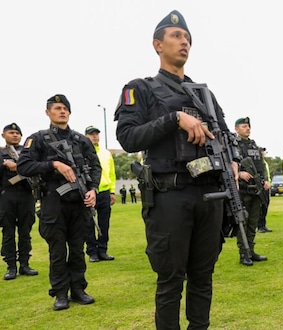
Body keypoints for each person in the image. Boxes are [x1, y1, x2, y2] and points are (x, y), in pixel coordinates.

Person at [114, 10, 234, 328]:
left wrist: (233, 162)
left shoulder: (204, 94)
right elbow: (127, 137)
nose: (184, 42)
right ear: (157, 44)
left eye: (188, 39)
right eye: (176, 36)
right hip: (169, 195)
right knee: (170, 280)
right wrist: (174, 119)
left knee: (203, 276)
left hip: (210, 194)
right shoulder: (140, 88)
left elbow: (224, 135)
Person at [18, 94, 101, 311]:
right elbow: (23, 166)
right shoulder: (37, 139)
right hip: (53, 202)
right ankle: (60, 294)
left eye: (65, 108)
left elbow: (95, 166)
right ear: (48, 112)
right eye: (57, 108)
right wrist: (53, 164)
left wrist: (93, 189)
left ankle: (78, 290)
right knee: (57, 252)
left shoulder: (81, 140)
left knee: (77, 249)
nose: (62, 111)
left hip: (79, 202)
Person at [1, 123, 38, 280]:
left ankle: (24, 264)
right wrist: (3, 164)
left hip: (26, 195)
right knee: (8, 232)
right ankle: (11, 267)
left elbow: (36, 168)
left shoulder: (27, 152)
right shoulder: (1, 153)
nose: (15, 135)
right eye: (11, 132)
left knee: (25, 231)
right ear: (4, 135)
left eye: (18, 133)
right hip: (6, 196)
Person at [234, 117, 269, 265]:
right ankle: (244, 253)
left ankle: (251, 250)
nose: (247, 129)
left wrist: (265, 179)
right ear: (236, 129)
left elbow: (261, 165)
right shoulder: (234, 145)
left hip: (257, 189)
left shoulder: (254, 145)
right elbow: (231, 163)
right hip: (243, 189)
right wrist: (239, 173)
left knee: (253, 221)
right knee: (244, 221)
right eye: (244, 126)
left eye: (248, 126)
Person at [84, 126, 116, 262]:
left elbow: (111, 173)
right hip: (88, 192)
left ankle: (103, 250)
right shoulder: (82, 152)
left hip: (104, 192)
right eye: (91, 134)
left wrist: (112, 191)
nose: (95, 136)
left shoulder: (106, 153)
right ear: (85, 136)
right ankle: (92, 252)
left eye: (96, 134)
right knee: (89, 223)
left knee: (104, 223)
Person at [257, 147, 273, 233]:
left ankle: (263, 225)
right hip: (261, 187)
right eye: (262, 151)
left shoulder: (264, 162)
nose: (263, 153)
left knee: (265, 206)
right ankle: (260, 226)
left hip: (267, 187)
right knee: (261, 207)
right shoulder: (259, 163)